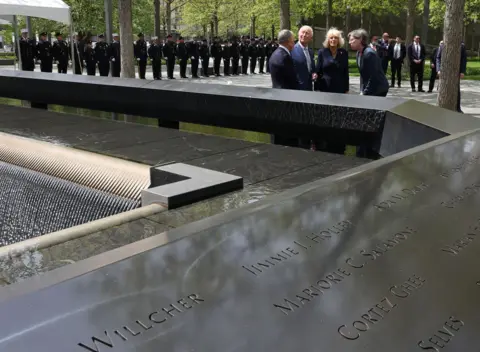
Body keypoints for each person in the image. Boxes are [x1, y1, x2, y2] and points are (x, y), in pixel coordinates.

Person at [348, 28, 389, 96]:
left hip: (378, 90)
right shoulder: (358, 53)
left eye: (352, 40)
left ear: (360, 39)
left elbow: (373, 76)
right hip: (370, 88)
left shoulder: (369, 54)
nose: (349, 42)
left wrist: (365, 93)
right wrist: (361, 90)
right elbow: (363, 75)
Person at [315, 27, 349, 93]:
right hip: (325, 88)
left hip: (340, 88)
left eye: (336, 38)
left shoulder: (344, 53)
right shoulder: (322, 52)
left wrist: (346, 89)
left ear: (339, 40)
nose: (333, 40)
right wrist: (316, 88)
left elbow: (346, 72)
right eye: (331, 38)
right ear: (328, 40)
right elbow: (318, 71)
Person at [436, 42, 467, 113]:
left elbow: (464, 59)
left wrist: (462, 71)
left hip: (456, 72)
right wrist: (438, 70)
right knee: (442, 88)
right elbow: (438, 58)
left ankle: (458, 108)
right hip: (444, 71)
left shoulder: (461, 46)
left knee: (456, 89)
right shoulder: (442, 45)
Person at [291, 25, 316, 91]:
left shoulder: (311, 52)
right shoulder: (292, 50)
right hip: (296, 89)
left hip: (308, 88)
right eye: (302, 32)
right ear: (298, 34)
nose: (304, 35)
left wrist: (314, 74)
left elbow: (311, 69)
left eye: (307, 33)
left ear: (311, 38)